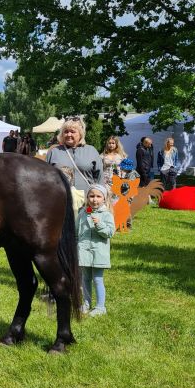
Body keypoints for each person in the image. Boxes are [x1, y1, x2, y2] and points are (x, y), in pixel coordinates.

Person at [77, 184, 115, 317]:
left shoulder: (106, 214)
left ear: (104, 199)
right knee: (85, 278)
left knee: (97, 279)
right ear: (87, 198)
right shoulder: (82, 213)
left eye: (98, 196)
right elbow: (77, 232)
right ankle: (86, 304)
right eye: (91, 196)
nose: (94, 199)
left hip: (99, 253)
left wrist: (99, 224)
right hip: (84, 251)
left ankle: (100, 307)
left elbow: (110, 233)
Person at [45, 117, 103, 192]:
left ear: (80, 133)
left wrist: (101, 195)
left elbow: (99, 178)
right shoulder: (54, 152)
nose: (69, 134)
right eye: (66, 132)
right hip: (61, 199)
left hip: (87, 200)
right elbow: (45, 176)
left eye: (72, 132)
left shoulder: (91, 151)